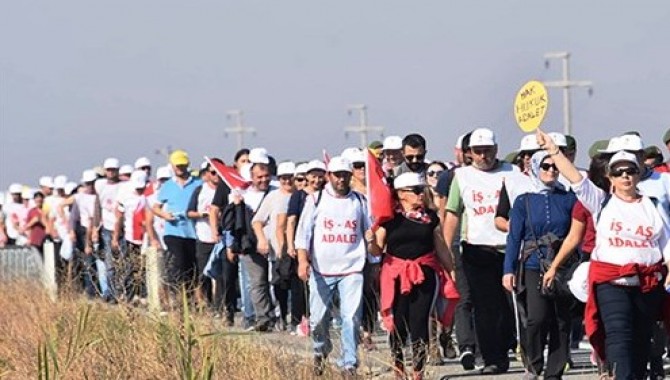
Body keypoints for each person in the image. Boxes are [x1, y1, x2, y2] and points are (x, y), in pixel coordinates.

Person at [537, 130, 670, 380]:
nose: (625, 176)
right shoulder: (600, 202)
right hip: (612, 284)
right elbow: (575, 178)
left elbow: (666, 242)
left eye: (630, 170)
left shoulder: (652, 205)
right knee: (619, 336)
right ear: (610, 176)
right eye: (618, 172)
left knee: (642, 341)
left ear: (639, 173)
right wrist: (553, 151)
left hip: (646, 284)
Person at [443, 127, 528, 374]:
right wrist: (447, 252)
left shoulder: (512, 172)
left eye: (487, 151)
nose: (483, 156)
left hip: (509, 249)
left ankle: (514, 347)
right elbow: (452, 214)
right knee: (484, 307)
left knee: (509, 307)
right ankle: (493, 358)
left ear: (496, 149)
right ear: (469, 153)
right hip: (476, 249)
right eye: (478, 152)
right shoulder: (462, 176)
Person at [368, 172, 454, 380]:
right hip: (395, 275)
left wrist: (452, 272)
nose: (420, 195)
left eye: (422, 190)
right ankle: (398, 367)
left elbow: (440, 246)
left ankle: (418, 371)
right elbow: (377, 250)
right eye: (415, 191)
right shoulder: (389, 219)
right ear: (401, 194)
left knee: (419, 321)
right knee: (398, 324)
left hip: (424, 274)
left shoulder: (430, 218)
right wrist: (370, 241)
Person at [502, 151, 577, 379]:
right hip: (534, 264)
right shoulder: (523, 200)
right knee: (537, 317)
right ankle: (533, 365)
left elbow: (577, 231)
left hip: (562, 266)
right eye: (545, 166)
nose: (551, 171)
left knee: (562, 320)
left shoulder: (568, 199)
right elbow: (514, 237)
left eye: (556, 167)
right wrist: (508, 270)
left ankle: (554, 372)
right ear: (535, 168)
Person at [295, 156, 371, 378]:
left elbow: (369, 232)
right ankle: (320, 350)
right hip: (322, 270)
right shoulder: (316, 200)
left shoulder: (359, 201)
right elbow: (303, 234)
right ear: (329, 176)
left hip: (352, 268)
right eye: (337, 175)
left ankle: (349, 363)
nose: (341, 179)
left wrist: (373, 261)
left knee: (350, 317)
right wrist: (302, 260)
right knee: (318, 320)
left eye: (345, 175)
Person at [223, 149, 277, 332]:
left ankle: (280, 314)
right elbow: (229, 223)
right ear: (252, 176)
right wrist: (231, 245)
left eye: (266, 176)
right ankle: (263, 318)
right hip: (250, 244)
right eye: (259, 177)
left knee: (277, 280)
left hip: (275, 243)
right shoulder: (241, 194)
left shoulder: (276, 191)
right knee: (257, 282)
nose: (263, 180)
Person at [152, 150, 202, 300]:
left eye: (182, 165)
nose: (180, 168)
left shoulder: (197, 184)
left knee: (192, 267)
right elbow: (156, 207)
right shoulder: (167, 186)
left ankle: (191, 298)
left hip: (193, 232)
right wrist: (165, 215)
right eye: (177, 165)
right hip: (173, 231)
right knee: (178, 264)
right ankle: (178, 298)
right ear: (172, 166)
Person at [284, 159, 327, 335]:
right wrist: (290, 243)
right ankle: (298, 319)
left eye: (320, 176)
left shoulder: (327, 195)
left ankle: (317, 319)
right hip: (302, 244)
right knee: (299, 285)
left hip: (321, 245)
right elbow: (291, 220)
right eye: (313, 176)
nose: (317, 180)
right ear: (307, 176)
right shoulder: (299, 196)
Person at [252, 161, 295, 331]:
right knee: (280, 284)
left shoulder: (301, 195)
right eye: (283, 178)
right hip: (278, 250)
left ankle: (299, 319)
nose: (287, 181)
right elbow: (257, 221)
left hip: (298, 249)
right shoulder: (273, 196)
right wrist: (262, 239)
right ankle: (282, 315)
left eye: (290, 177)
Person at [113, 170, 158, 302]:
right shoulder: (126, 197)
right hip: (131, 237)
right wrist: (115, 237)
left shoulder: (152, 197)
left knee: (146, 267)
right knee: (131, 267)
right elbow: (119, 218)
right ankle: (129, 294)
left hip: (148, 238)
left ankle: (145, 294)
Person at [187, 162, 220, 310]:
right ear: (207, 174)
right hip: (204, 236)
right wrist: (202, 214)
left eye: (218, 173)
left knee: (222, 274)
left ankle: (220, 304)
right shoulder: (200, 190)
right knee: (204, 273)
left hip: (221, 237)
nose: (216, 176)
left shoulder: (225, 190)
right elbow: (189, 212)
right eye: (213, 172)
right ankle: (207, 302)